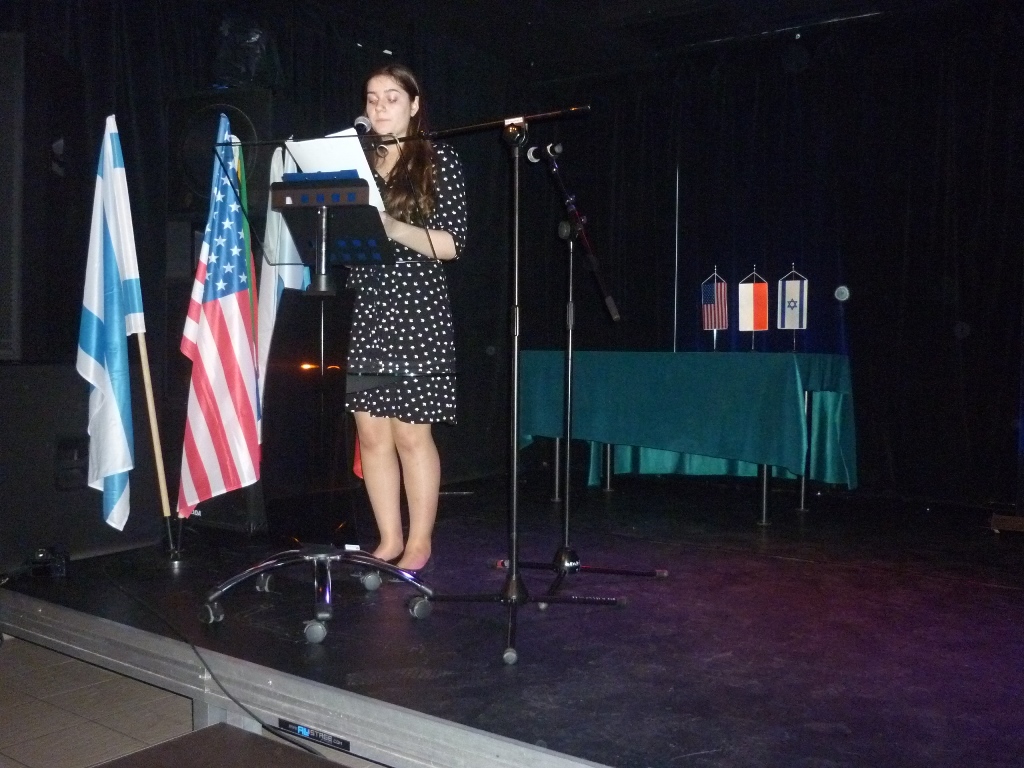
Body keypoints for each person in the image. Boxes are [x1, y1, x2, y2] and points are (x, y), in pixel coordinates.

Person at [345, 63, 467, 574]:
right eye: (372, 98)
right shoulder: (357, 163)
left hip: (417, 310)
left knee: (411, 433)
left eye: (391, 97)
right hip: (369, 308)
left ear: (415, 105)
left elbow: (452, 244)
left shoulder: (439, 160)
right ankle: (388, 538)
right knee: (372, 433)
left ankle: (419, 542)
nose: (379, 107)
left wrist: (393, 227)